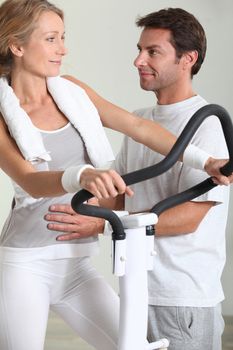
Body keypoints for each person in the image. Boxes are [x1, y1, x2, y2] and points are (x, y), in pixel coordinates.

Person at [2, 1, 231, 350]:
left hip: (76, 265)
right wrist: (82, 175)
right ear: (17, 46)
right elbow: (30, 180)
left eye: (63, 37)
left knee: (135, 347)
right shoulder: (2, 112)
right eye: (51, 39)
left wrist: (206, 161)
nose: (62, 49)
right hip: (26, 264)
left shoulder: (71, 91)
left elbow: (138, 126)